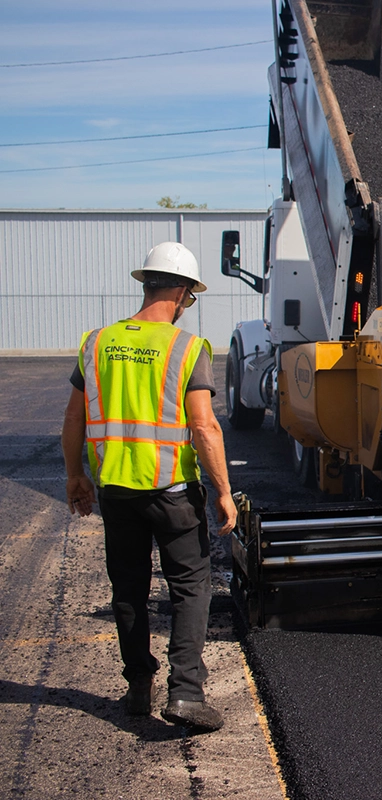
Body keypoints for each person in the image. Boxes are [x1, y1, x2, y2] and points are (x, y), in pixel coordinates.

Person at [61, 242, 236, 732]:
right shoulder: (186, 347)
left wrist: (76, 475)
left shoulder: (97, 342)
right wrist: (222, 491)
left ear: (146, 284)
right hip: (173, 490)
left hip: (116, 488)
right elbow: (204, 429)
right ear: (181, 293)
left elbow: (74, 416)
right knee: (190, 587)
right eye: (190, 299)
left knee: (129, 588)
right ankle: (185, 694)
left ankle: (139, 684)